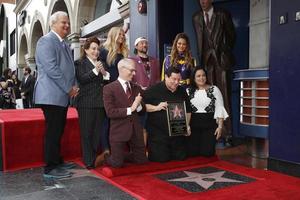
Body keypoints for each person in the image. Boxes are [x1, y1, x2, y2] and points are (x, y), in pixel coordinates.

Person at [34, 11, 79, 179]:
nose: (67, 25)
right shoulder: (46, 41)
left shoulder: (63, 43)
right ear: (53, 24)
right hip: (51, 95)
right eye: (63, 22)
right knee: (53, 131)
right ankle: (51, 167)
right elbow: (52, 69)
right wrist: (69, 88)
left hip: (60, 96)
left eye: (68, 22)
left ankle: (57, 161)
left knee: (58, 130)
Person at [193, 0, 235, 135]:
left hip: (221, 61)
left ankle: (227, 132)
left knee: (225, 96)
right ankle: (212, 130)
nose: (202, 2)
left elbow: (231, 35)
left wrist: (222, 51)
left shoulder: (222, 14)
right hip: (206, 62)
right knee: (209, 97)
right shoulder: (196, 17)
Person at [96, 58, 148, 168]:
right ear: (122, 69)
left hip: (136, 130)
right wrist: (132, 108)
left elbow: (143, 111)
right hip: (119, 131)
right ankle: (108, 157)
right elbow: (110, 112)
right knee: (117, 164)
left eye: (135, 71)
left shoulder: (136, 87)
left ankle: (119, 156)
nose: (134, 73)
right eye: (132, 70)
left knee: (142, 161)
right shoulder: (109, 88)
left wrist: (138, 105)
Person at [75, 37, 110, 169]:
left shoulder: (101, 63)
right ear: (86, 50)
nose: (96, 52)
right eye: (93, 49)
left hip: (100, 103)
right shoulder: (80, 63)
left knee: (96, 133)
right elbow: (82, 79)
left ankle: (94, 157)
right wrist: (95, 70)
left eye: (98, 49)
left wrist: (103, 72)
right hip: (85, 103)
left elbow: (106, 81)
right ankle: (88, 160)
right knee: (86, 132)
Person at [143, 67, 191, 162]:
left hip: (177, 133)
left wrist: (187, 125)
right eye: (174, 79)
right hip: (159, 135)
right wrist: (156, 107)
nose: (177, 82)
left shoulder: (182, 91)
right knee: (161, 159)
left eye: (179, 79)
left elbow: (188, 110)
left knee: (181, 158)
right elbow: (141, 106)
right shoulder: (154, 89)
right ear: (166, 77)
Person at [98, 26, 129, 152]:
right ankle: (106, 149)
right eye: (120, 34)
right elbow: (101, 73)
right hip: (108, 89)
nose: (122, 37)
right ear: (114, 35)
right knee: (107, 119)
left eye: (123, 35)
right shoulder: (104, 51)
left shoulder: (123, 52)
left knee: (119, 119)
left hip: (121, 89)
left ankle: (117, 148)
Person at [186, 67, 228, 157]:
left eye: (203, 75)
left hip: (209, 126)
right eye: (198, 76)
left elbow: (220, 108)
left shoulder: (214, 89)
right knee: (192, 154)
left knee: (207, 153)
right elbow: (186, 110)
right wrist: (186, 125)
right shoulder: (188, 91)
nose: (201, 78)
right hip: (193, 126)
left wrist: (220, 127)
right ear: (193, 78)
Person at [130, 36, 160, 145]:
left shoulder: (154, 61)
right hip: (139, 96)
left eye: (146, 43)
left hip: (153, 96)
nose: (144, 45)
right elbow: (130, 79)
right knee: (141, 123)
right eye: (141, 43)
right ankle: (141, 148)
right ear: (136, 46)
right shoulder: (131, 60)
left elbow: (157, 78)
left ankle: (151, 147)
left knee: (152, 123)